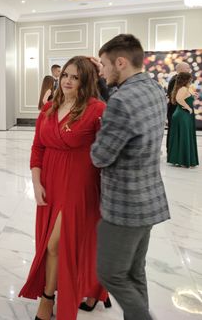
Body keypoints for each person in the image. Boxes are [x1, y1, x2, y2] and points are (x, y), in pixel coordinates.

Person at [19, 56, 109, 320]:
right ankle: (92, 288)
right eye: (65, 75)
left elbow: (107, 152)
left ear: (86, 81)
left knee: (56, 244)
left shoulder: (97, 109)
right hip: (50, 181)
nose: (68, 81)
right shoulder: (49, 107)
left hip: (79, 183)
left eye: (75, 77)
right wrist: (36, 182)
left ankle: (48, 298)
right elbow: (38, 147)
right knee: (55, 244)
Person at [91, 34, 170, 320]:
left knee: (111, 273)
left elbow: (100, 156)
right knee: (135, 272)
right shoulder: (154, 88)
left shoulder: (121, 102)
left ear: (121, 62)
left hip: (124, 206)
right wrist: (104, 85)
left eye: (104, 64)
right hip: (149, 199)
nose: (102, 71)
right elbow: (126, 107)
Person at [167, 72, 199, 167]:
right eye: (190, 79)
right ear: (186, 80)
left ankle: (181, 159)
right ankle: (183, 160)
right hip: (182, 115)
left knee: (182, 136)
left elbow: (184, 98)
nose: (191, 81)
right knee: (183, 137)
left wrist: (192, 97)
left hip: (183, 115)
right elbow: (179, 99)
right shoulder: (183, 88)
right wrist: (188, 108)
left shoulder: (183, 88)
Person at [166, 62, 192, 153]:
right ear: (181, 69)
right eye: (187, 68)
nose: (189, 70)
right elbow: (176, 97)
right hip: (175, 110)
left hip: (177, 109)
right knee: (173, 130)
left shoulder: (178, 79)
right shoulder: (176, 80)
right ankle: (171, 151)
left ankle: (174, 151)